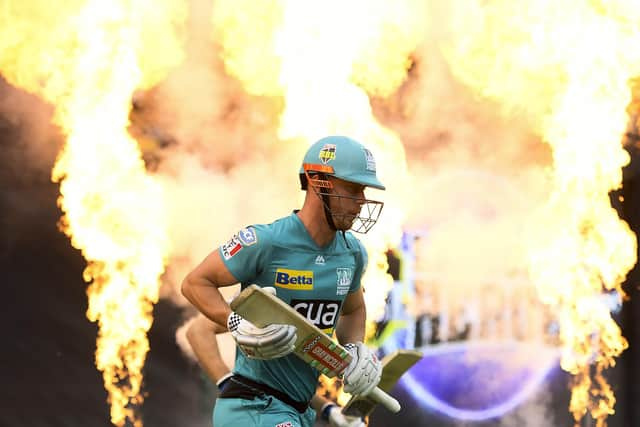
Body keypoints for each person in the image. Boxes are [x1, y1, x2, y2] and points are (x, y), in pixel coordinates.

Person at [181, 135, 386, 427]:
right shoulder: (265, 241)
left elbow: (352, 310)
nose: (362, 201)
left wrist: (353, 348)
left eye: (363, 190)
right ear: (318, 182)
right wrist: (235, 323)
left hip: (298, 411)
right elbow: (195, 283)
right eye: (353, 188)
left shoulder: (353, 253)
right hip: (252, 406)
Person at [186, 313, 366, 427]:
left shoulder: (321, 319)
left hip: (288, 414)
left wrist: (329, 410)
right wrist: (228, 384)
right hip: (255, 411)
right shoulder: (271, 301)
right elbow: (197, 330)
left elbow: (287, 384)